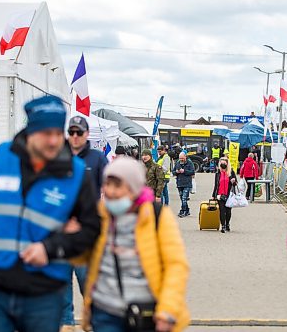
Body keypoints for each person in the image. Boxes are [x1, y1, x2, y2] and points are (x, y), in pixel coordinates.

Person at [0, 95, 101, 332]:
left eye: (57, 132)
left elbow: (92, 228)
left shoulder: (75, 173)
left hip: (44, 294)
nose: (54, 141)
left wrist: (51, 248)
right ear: (30, 131)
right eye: (46, 133)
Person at [76, 157, 190, 332]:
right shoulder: (100, 214)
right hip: (104, 311)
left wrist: (168, 309)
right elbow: (81, 256)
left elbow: (176, 265)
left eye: (118, 186)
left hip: (145, 313)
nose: (111, 192)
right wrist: (74, 234)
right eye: (108, 184)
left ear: (135, 188)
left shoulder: (157, 216)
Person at [62, 116, 108, 331]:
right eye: (71, 132)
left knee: (86, 280)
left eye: (79, 132)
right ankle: (66, 324)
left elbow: (109, 190)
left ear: (87, 134)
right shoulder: (58, 157)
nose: (75, 136)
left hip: (85, 230)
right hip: (60, 231)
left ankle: (93, 319)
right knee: (61, 281)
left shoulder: (97, 158)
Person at [212, 158, 237, 233]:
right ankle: (223, 226)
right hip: (220, 194)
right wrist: (214, 195)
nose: (222, 165)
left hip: (229, 194)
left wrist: (233, 181)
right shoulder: (218, 173)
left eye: (224, 163)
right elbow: (216, 185)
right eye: (221, 163)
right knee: (222, 211)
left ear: (227, 164)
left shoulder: (231, 172)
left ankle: (227, 224)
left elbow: (235, 184)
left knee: (228, 211)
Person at [172, 152, 195, 218]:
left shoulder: (189, 163)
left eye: (182, 158)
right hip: (179, 183)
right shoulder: (178, 163)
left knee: (184, 198)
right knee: (182, 198)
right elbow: (173, 171)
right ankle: (187, 210)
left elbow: (192, 172)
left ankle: (183, 210)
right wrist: (176, 172)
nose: (181, 159)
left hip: (187, 183)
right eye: (180, 158)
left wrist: (184, 171)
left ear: (185, 157)